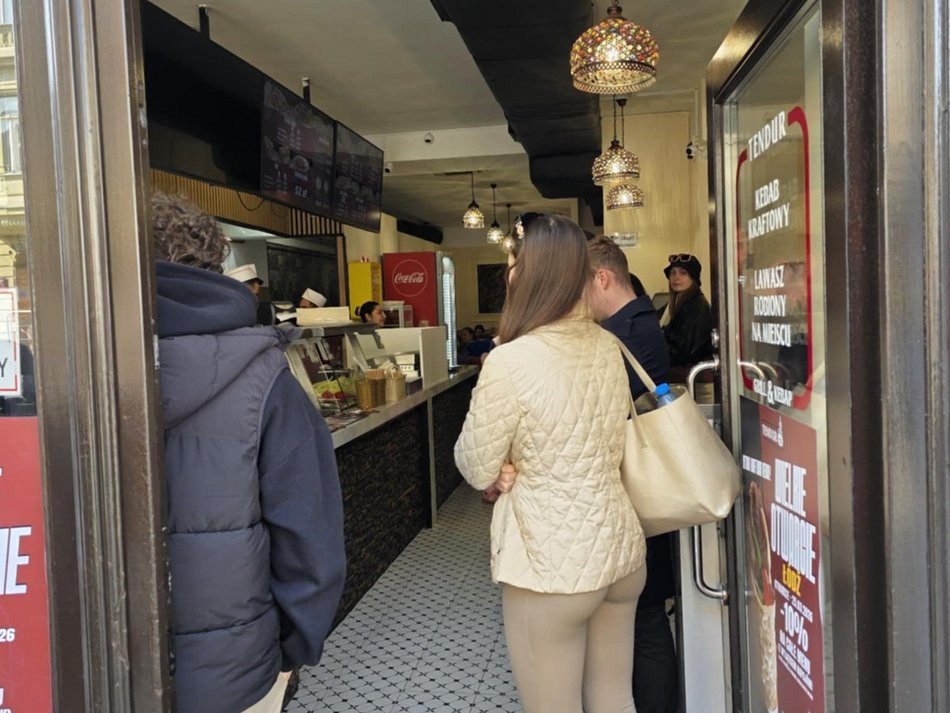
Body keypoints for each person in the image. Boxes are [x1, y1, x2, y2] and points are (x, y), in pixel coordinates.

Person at [151, 192, 346, 713]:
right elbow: (310, 538)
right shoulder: (266, 379)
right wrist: (295, 649)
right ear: (216, 265)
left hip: (95, 671)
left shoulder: (63, 368)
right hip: (234, 675)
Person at [455, 214, 646, 713]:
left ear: (531, 273)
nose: (509, 273)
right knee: (614, 699)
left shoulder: (511, 360)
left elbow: (475, 465)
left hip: (551, 561)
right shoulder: (609, 344)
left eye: (513, 262)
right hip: (620, 549)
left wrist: (502, 466)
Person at [588, 237, 678, 713]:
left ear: (602, 278)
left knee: (645, 621)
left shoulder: (629, 332)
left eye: (583, 285)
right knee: (642, 618)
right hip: (642, 487)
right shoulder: (638, 322)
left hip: (641, 491)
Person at [660, 253, 713, 384]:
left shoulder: (696, 306)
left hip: (695, 381)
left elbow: (685, 351)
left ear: (693, 278)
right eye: (673, 273)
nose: (676, 277)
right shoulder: (676, 304)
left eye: (683, 273)